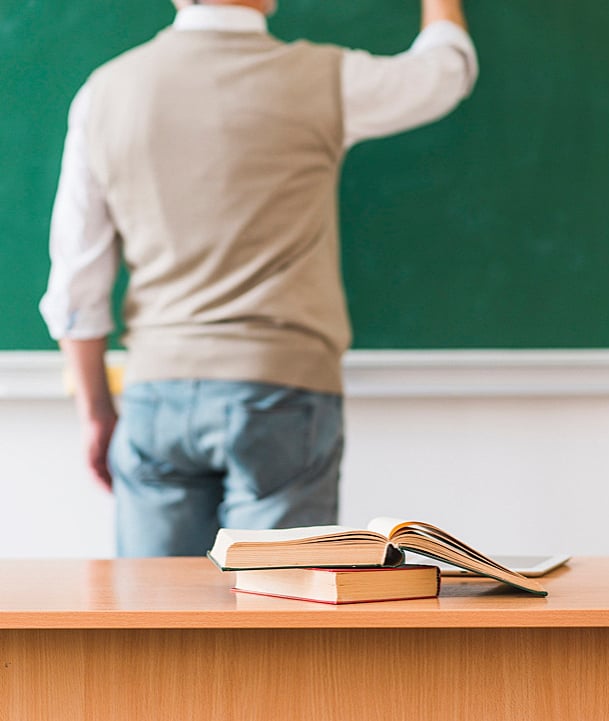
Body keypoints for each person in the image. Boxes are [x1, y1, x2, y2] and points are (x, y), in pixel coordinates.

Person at [40, 0, 478, 557]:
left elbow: (76, 283)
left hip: (156, 395)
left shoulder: (105, 93)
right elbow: (443, 74)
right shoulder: (323, 79)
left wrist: (96, 412)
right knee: (273, 601)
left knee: (156, 605)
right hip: (283, 389)